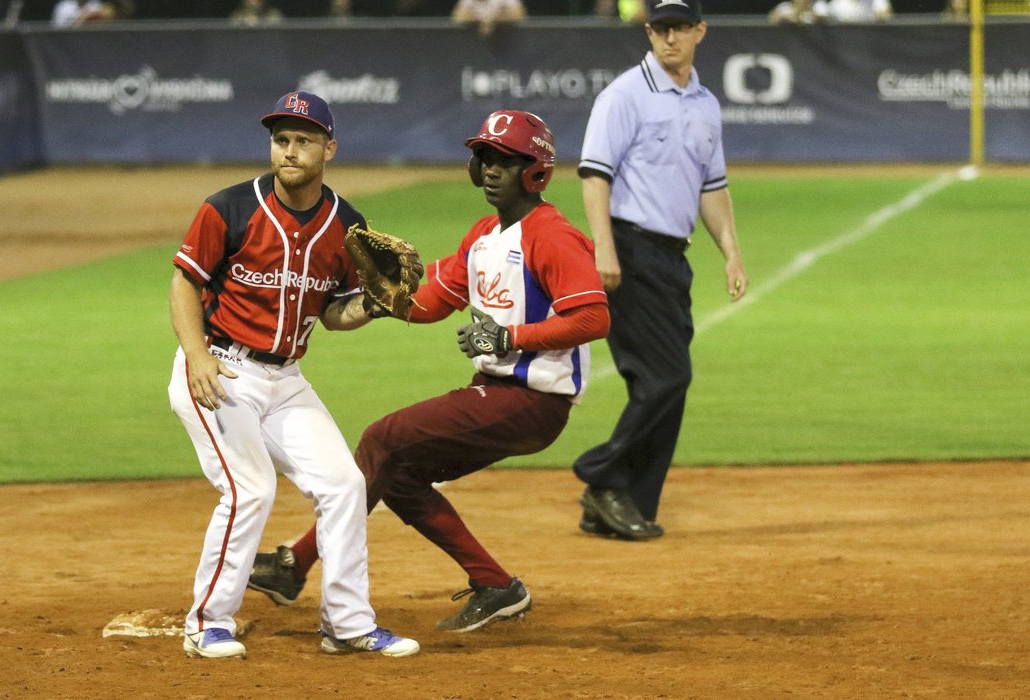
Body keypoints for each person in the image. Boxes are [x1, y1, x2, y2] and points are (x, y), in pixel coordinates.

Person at [247, 109, 610, 633]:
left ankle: (295, 564)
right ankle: (495, 584)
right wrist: (378, 297)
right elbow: (430, 301)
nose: (488, 168)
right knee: (398, 472)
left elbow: (594, 315)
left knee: (383, 438)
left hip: (533, 401)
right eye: (483, 157)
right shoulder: (484, 235)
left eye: (504, 160)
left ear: (536, 171)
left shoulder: (551, 236)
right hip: (497, 392)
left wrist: (512, 336)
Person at [168, 90, 418, 659]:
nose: (290, 150)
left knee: (344, 484)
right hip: (219, 370)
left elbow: (333, 314)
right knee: (248, 488)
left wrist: (375, 306)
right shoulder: (229, 207)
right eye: (281, 139)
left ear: (329, 147)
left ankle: (347, 625)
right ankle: (206, 622)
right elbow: (185, 282)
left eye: (303, 140)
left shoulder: (346, 225)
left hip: (286, 381)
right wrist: (197, 355)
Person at [572, 0, 748, 541]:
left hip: (673, 257)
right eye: (660, 28)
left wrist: (732, 251)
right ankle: (602, 479)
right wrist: (604, 249)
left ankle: (627, 501)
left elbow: (711, 187)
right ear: (649, 32)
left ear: (700, 31)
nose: (669, 38)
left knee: (667, 384)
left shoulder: (705, 104)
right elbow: (594, 175)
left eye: (680, 28)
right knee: (666, 376)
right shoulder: (624, 96)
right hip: (629, 247)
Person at [452, 0, 526, 36]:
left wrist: (491, 20)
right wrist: (484, 20)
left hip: (507, 40)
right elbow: (458, 16)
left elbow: (519, 14)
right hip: (476, 44)